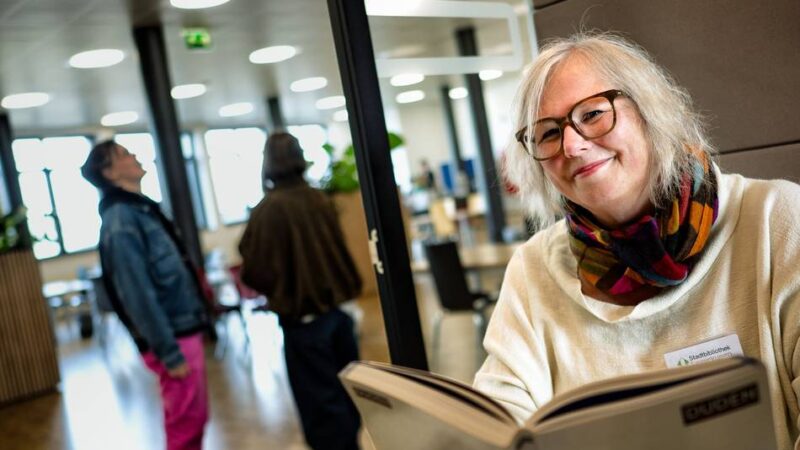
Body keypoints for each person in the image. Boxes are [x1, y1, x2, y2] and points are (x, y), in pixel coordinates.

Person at [473, 32, 800, 449]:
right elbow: (497, 419)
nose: (572, 144)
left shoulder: (777, 220)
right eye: (548, 133)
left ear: (649, 109)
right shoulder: (534, 268)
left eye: (592, 114)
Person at [81, 141, 210, 450]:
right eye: (124, 155)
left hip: (182, 328)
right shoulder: (121, 220)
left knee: (194, 418)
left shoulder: (140, 209)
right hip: (173, 336)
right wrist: (169, 352)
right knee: (185, 424)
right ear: (109, 173)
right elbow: (136, 295)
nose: (134, 156)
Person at [238, 132, 363, 450]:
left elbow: (253, 270)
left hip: (303, 326)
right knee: (349, 401)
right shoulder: (320, 199)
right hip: (338, 315)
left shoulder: (267, 211)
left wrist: (282, 288)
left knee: (322, 412)